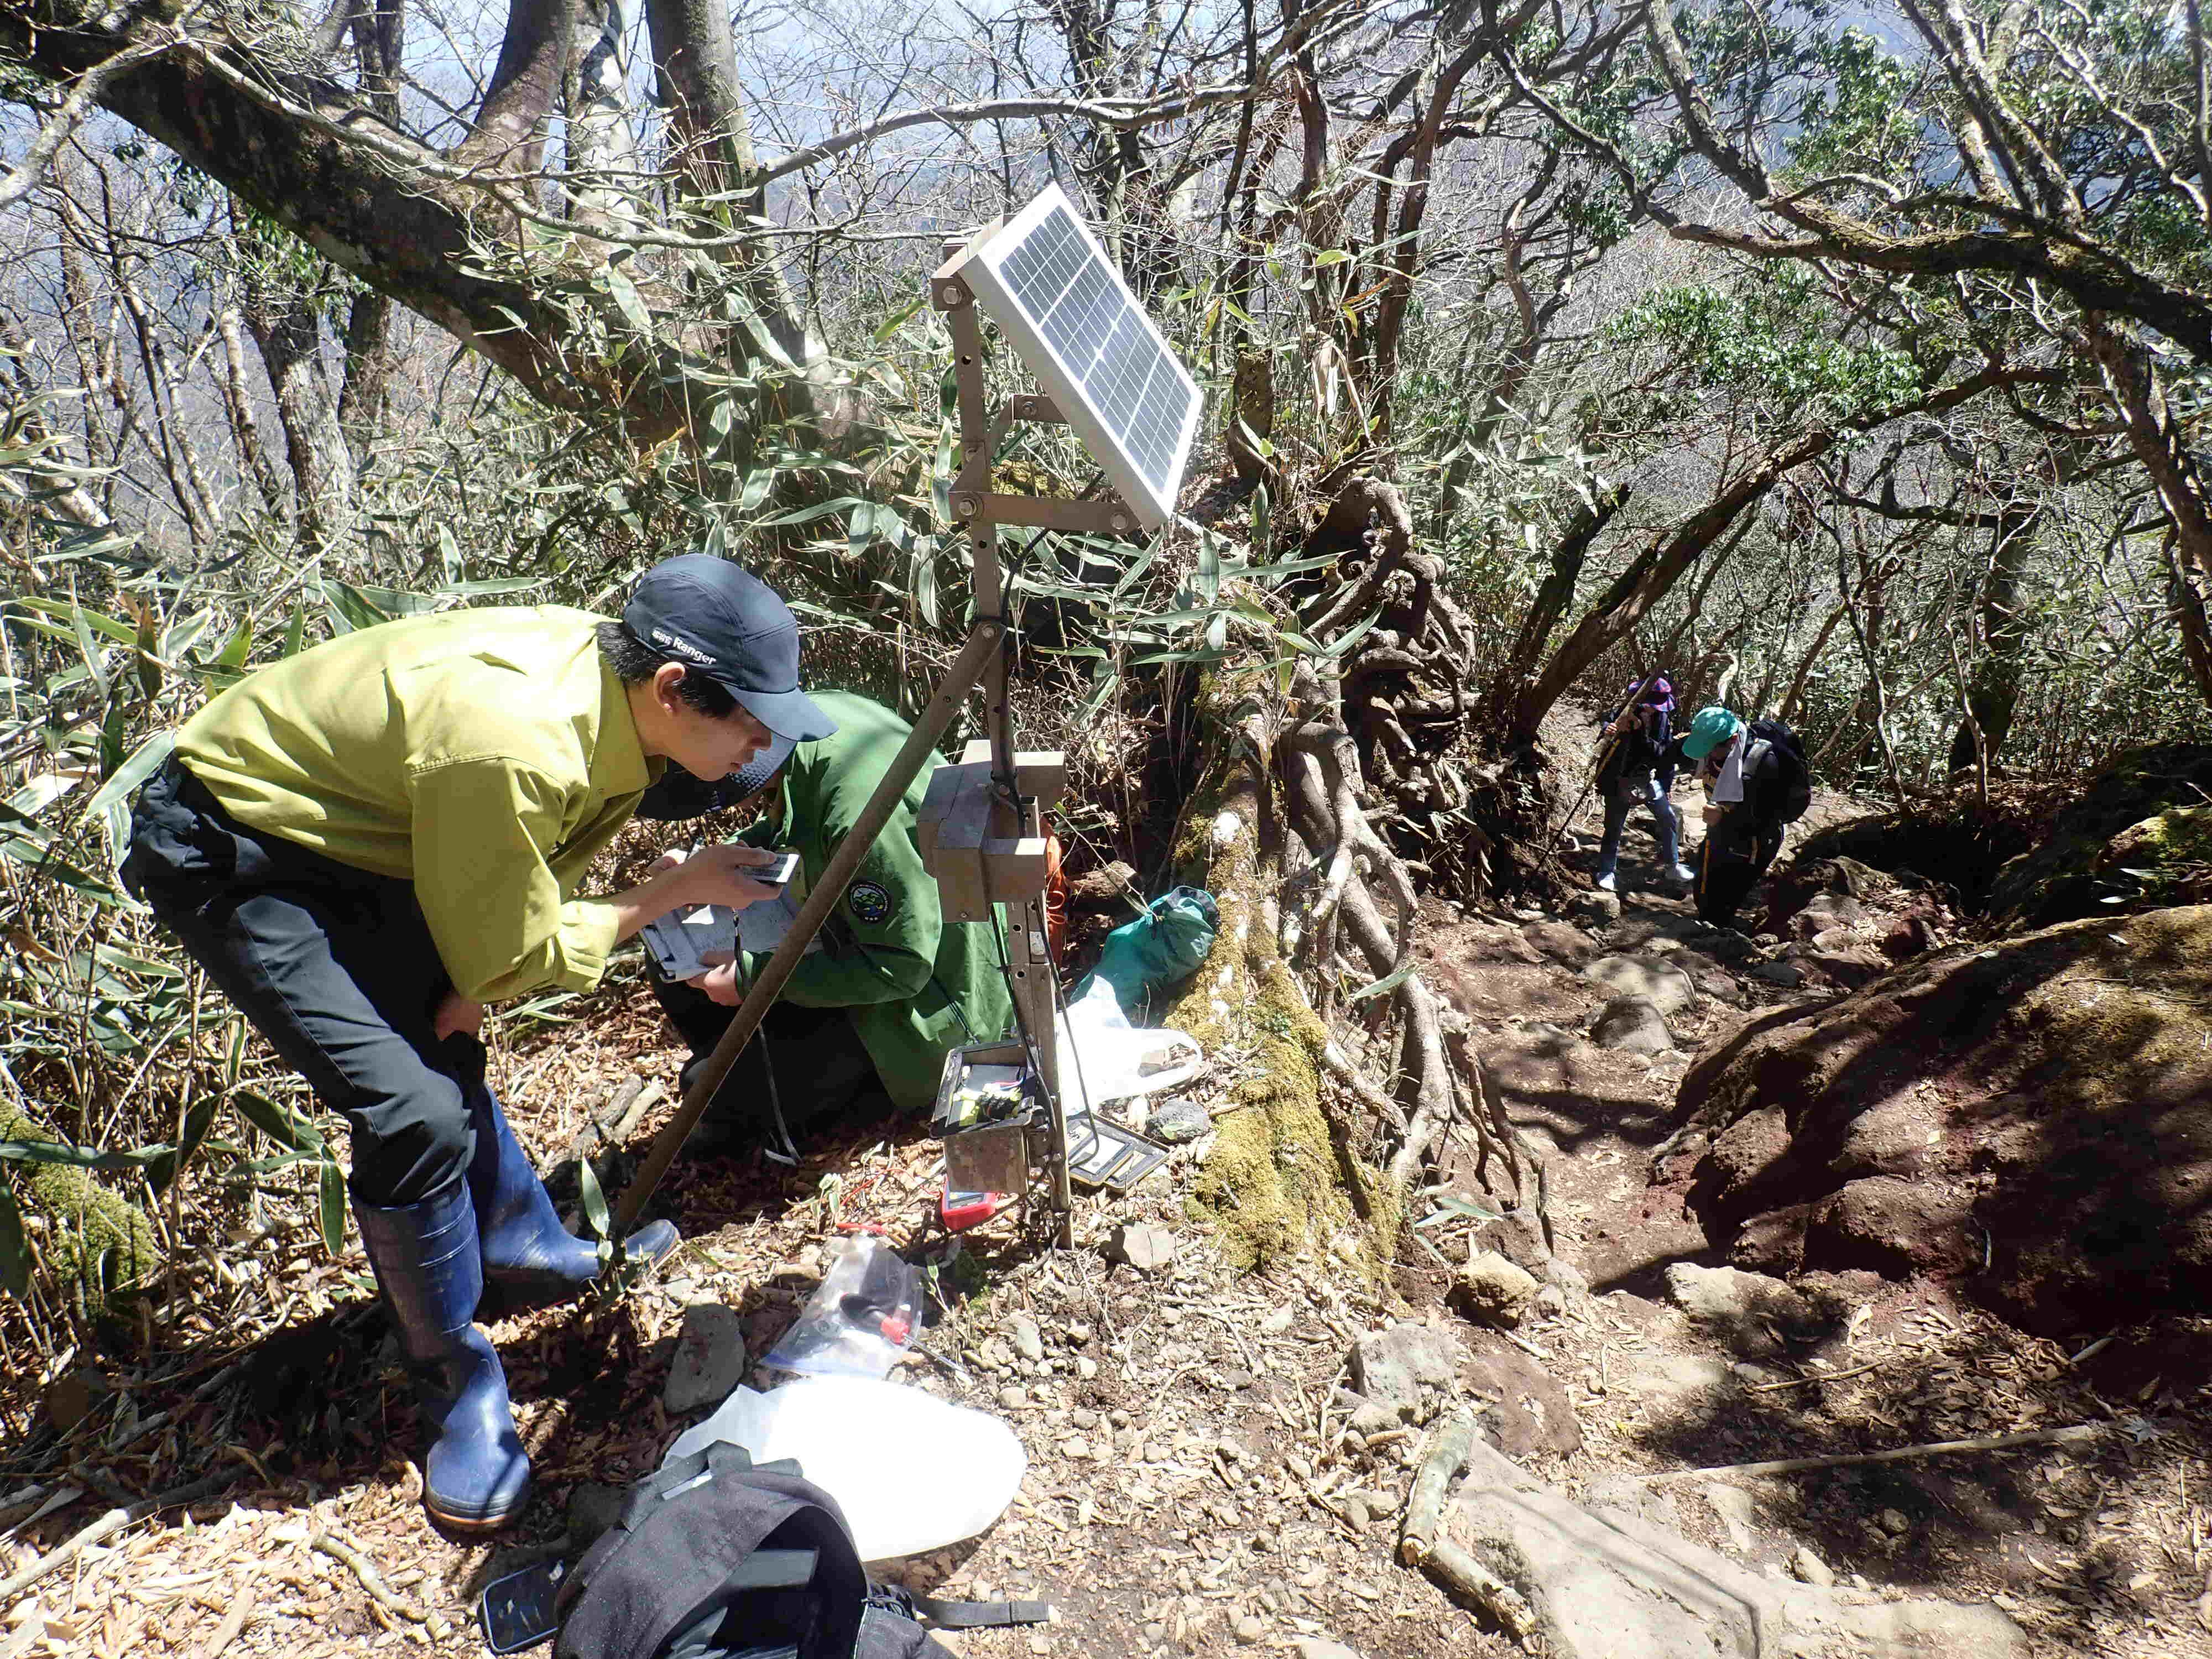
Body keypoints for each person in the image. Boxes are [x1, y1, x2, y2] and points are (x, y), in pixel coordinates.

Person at [121, 554, 836, 1532]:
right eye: (750, 723)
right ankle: (453, 1377)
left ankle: (523, 1246)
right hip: (239, 843)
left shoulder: (615, 697)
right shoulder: (516, 738)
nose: (760, 748)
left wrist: (478, 973)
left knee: (440, 1033)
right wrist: (670, 892)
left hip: (363, 826)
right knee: (409, 1108)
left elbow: (537, 868)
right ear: (674, 689)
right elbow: (510, 947)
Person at [645, 692, 1015, 1156]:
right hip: (847, 939)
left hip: (928, 1014)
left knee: (710, 1093)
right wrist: (707, 866)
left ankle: (760, 1078)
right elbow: (793, 828)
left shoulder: (857, 813)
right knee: (670, 951)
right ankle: (757, 1057)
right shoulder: (803, 726)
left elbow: (902, 967)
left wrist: (754, 978)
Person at [1678, 705, 1788, 928]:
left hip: (1754, 842)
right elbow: (1674, 753)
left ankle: (1716, 946)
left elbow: (1767, 814)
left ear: (1733, 739)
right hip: (1721, 831)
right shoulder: (1720, 751)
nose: (1707, 755)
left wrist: (1724, 815)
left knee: (1726, 897)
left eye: (1711, 749)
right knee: (1704, 882)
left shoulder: (1764, 763)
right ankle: (1705, 927)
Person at [1591, 675, 1693, 894]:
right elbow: (1605, 736)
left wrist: (1641, 734)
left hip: (1649, 778)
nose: (1654, 709)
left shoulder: (1662, 719)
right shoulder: (1625, 711)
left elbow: (1661, 753)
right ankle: (1607, 871)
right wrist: (1610, 729)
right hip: (1620, 779)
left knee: (1667, 818)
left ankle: (1673, 865)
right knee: (1614, 827)